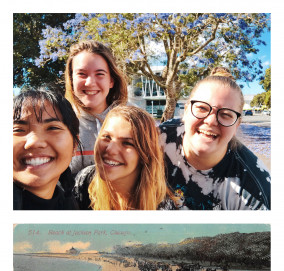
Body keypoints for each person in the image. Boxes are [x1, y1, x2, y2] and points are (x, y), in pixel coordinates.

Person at [159, 66, 271, 210]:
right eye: (202, 108)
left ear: (237, 125)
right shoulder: (158, 139)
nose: (211, 121)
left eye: (225, 114)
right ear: (186, 111)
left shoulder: (255, 191)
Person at [73, 105, 177, 210]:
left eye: (127, 143)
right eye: (106, 137)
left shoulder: (163, 209)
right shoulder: (84, 181)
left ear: (145, 154)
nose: (110, 149)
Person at [65, 40, 128, 175]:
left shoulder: (132, 122)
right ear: (71, 79)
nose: (90, 82)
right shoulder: (59, 124)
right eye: (82, 74)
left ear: (111, 81)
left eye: (100, 74)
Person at [13, 87, 80, 210]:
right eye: (18, 130)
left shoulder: (70, 206)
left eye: (53, 128)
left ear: (74, 145)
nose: (34, 142)